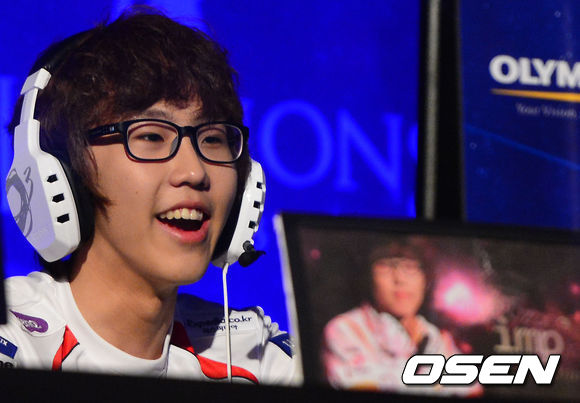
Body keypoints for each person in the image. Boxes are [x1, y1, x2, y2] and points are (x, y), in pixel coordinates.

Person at [0, 9, 296, 385]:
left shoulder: (255, 355)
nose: (194, 172)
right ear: (61, 174)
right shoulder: (14, 343)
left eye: (213, 139)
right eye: (151, 136)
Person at [322, 237, 481, 396]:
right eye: (386, 266)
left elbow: (472, 391)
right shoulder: (345, 330)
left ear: (426, 279)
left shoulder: (435, 337)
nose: (400, 279)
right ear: (369, 276)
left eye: (410, 267)